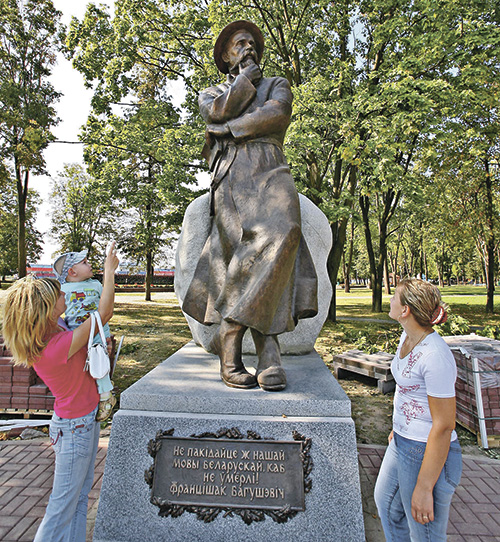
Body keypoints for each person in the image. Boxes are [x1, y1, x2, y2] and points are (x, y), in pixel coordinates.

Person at [182, 20, 318, 391]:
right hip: (231, 177)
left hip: (271, 169)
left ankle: (231, 332)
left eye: (252, 43)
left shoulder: (277, 84)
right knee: (240, 254)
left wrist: (227, 130)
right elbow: (217, 110)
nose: (247, 47)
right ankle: (267, 351)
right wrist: (244, 84)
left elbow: (276, 115)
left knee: (285, 234)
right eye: (239, 44)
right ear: (226, 56)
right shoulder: (211, 92)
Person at [2, 244, 119, 542]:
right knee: (61, 506)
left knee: (79, 498)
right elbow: (103, 313)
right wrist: (108, 270)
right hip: (75, 427)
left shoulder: (54, 330)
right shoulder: (54, 348)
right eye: (59, 295)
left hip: (84, 420)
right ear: (46, 307)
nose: (66, 294)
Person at [374, 278, 462, 541]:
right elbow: (406, 388)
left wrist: (425, 487)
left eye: (394, 297)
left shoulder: (435, 356)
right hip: (401, 442)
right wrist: (397, 427)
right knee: (387, 507)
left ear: (406, 310)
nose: (389, 299)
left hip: (427, 451)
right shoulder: (407, 336)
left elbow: (445, 424)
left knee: (424, 532)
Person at [52, 249, 116, 421]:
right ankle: (95, 395)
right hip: (76, 334)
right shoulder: (62, 290)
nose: (89, 265)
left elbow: (107, 302)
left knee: (99, 359)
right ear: (72, 272)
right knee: (84, 365)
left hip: (98, 332)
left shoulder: (95, 285)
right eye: (84, 263)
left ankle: (105, 396)